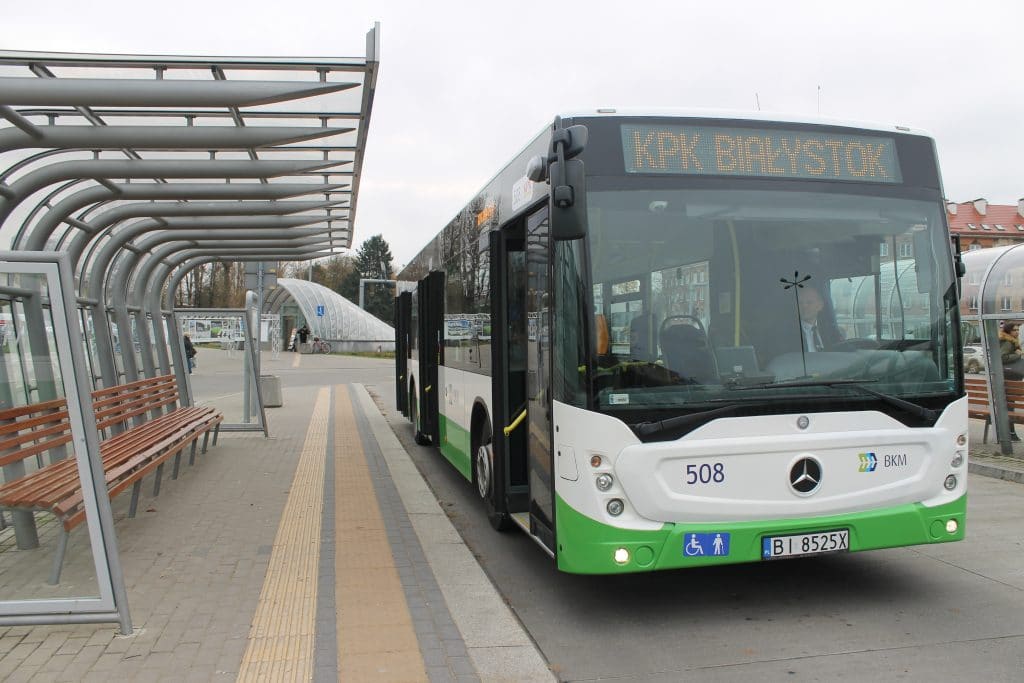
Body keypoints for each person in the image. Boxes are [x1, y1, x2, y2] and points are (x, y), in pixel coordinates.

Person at [998, 321, 1022, 441]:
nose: (1017, 332)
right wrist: (1018, 355)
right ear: (1008, 331)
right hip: (1009, 378)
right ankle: (1010, 433)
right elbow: (1002, 357)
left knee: (1008, 407)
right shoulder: (1008, 342)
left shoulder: (1009, 341)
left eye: (1018, 330)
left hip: (1007, 378)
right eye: (1014, 330)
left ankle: (1009, 433)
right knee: (1010, 407)